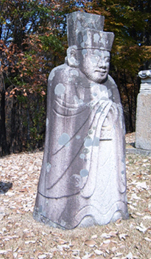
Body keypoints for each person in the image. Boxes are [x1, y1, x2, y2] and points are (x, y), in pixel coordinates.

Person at [33, 12, 129, 229]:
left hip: (105, 148)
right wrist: (98, 110)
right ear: (75, 55)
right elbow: (64, 114)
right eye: (96, 57)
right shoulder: (63, 76)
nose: (103, 64)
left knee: (106, 187)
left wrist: (111, 113)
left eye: (107, 59)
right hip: (75, 152)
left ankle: (111, 207)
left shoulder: (110, 83)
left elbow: (119, 113)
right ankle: (70, 209)